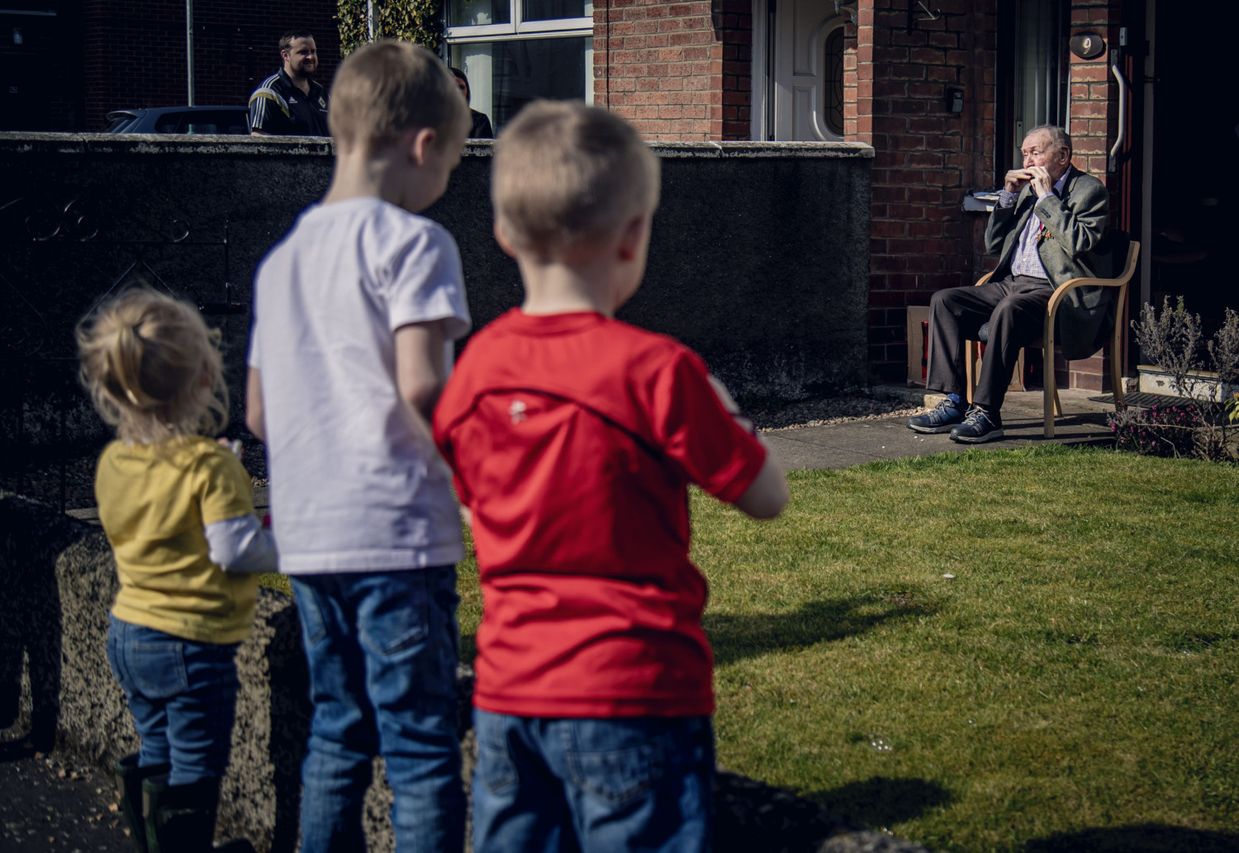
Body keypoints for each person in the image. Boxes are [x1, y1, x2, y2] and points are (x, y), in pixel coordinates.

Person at [432, 100, 790, 852]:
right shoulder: (657, 370)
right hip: (634, 690)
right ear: (634, 237)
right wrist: (725, 408)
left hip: (507, 693)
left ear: (502, 232)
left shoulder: (474, 371)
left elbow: (471, 503)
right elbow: (766, 496)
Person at [245, 41, 471, 852]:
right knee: (418, 743)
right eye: (451, 159)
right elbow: (421, 388)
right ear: (421, 144)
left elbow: (261, 413)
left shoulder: (281, 262)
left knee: (337, 728)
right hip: (397, 536)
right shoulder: (418, 245)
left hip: (309, 539)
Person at [77, 288, 275, 853]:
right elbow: (236, 550)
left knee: (157, 750)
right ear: (203, 379)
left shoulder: (113, 462)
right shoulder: (209, 465)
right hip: (189, 644)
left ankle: (154, 843)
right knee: (195, 764)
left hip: (127, 634)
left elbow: (159, 527)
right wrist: (294, 546)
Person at [909, 124, 1109, 443]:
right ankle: (953, 401)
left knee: (1009, 308)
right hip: (1011, 283)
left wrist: (1048, 198)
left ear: (1063, 156)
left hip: (1055, 290)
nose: (1027, 161)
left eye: (1036, 152)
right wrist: (1008, 196)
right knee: (946, 300)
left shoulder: (1089, 191)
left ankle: (987, 411)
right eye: (1024, 153)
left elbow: (1080, 243)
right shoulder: (1026, 190)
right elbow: (993, 245)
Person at [248, 31, 329, 136]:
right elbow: (259, 142)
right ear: (285, 55)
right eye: (303, 52)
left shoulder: (321, 92)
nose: (311, 57)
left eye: (313, 51)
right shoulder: (269, 92)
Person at [449, 66, 494, 139]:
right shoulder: (431, 120)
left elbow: (482, 149)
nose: (458, 92)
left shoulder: (480, 120)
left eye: (461, 87)